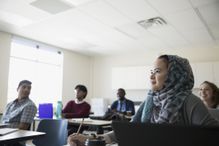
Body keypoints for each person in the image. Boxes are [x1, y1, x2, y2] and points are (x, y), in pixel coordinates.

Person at [68, 55, 219, 146]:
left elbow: (212, 136)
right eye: (151, 71)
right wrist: (92, 139)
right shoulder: (150, 100)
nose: (151, 76)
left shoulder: (190, 101)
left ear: (175, 74)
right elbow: (130, 129)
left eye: (157, 71)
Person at [1, 80, 37, 146]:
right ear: (17, 89)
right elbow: (3, 121)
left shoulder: (30, 106)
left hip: (14, 140)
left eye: (29, 88)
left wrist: (4, 134)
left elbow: (22, 129)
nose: (26, 90)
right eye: (24, 87)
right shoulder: (9, 104)